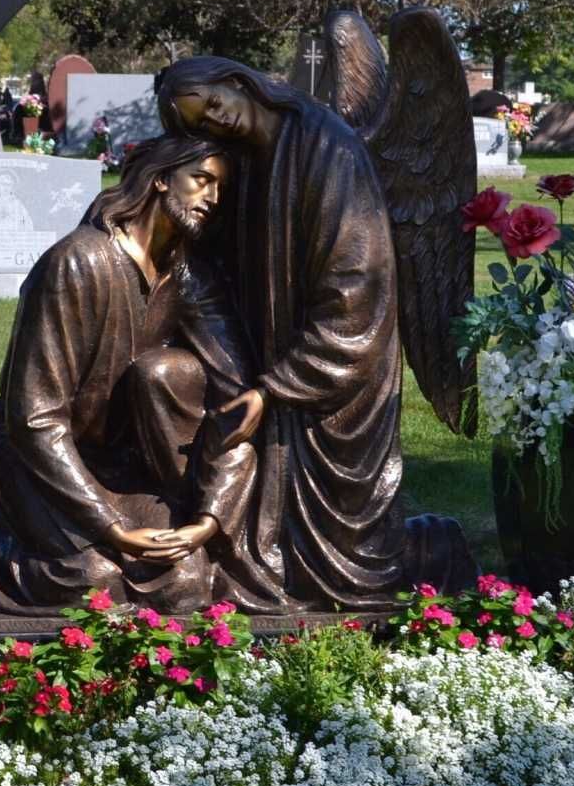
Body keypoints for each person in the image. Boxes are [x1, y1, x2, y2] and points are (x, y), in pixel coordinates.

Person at [156, 57, 424, 612]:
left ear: (234, 81)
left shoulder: (328, 149)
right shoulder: (247, 162)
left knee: (346, 540)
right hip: (271, 361)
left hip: (335, 368)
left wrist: (274, 388)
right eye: (200, 125)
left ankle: (407, 559)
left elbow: (355, 289)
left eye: (211, 104)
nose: (216, 121)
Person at [0, 135, 257, 616]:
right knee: (92, 585)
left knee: (185, 583)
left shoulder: (187, 276)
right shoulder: (76, 261)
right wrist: (111, 527)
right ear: (159, 179)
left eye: (220, 187)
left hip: (123, 466)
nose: (212, 198)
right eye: (201, 180)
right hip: (37, 460)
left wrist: (208, 519)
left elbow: (232, 401)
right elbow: (32, 418)